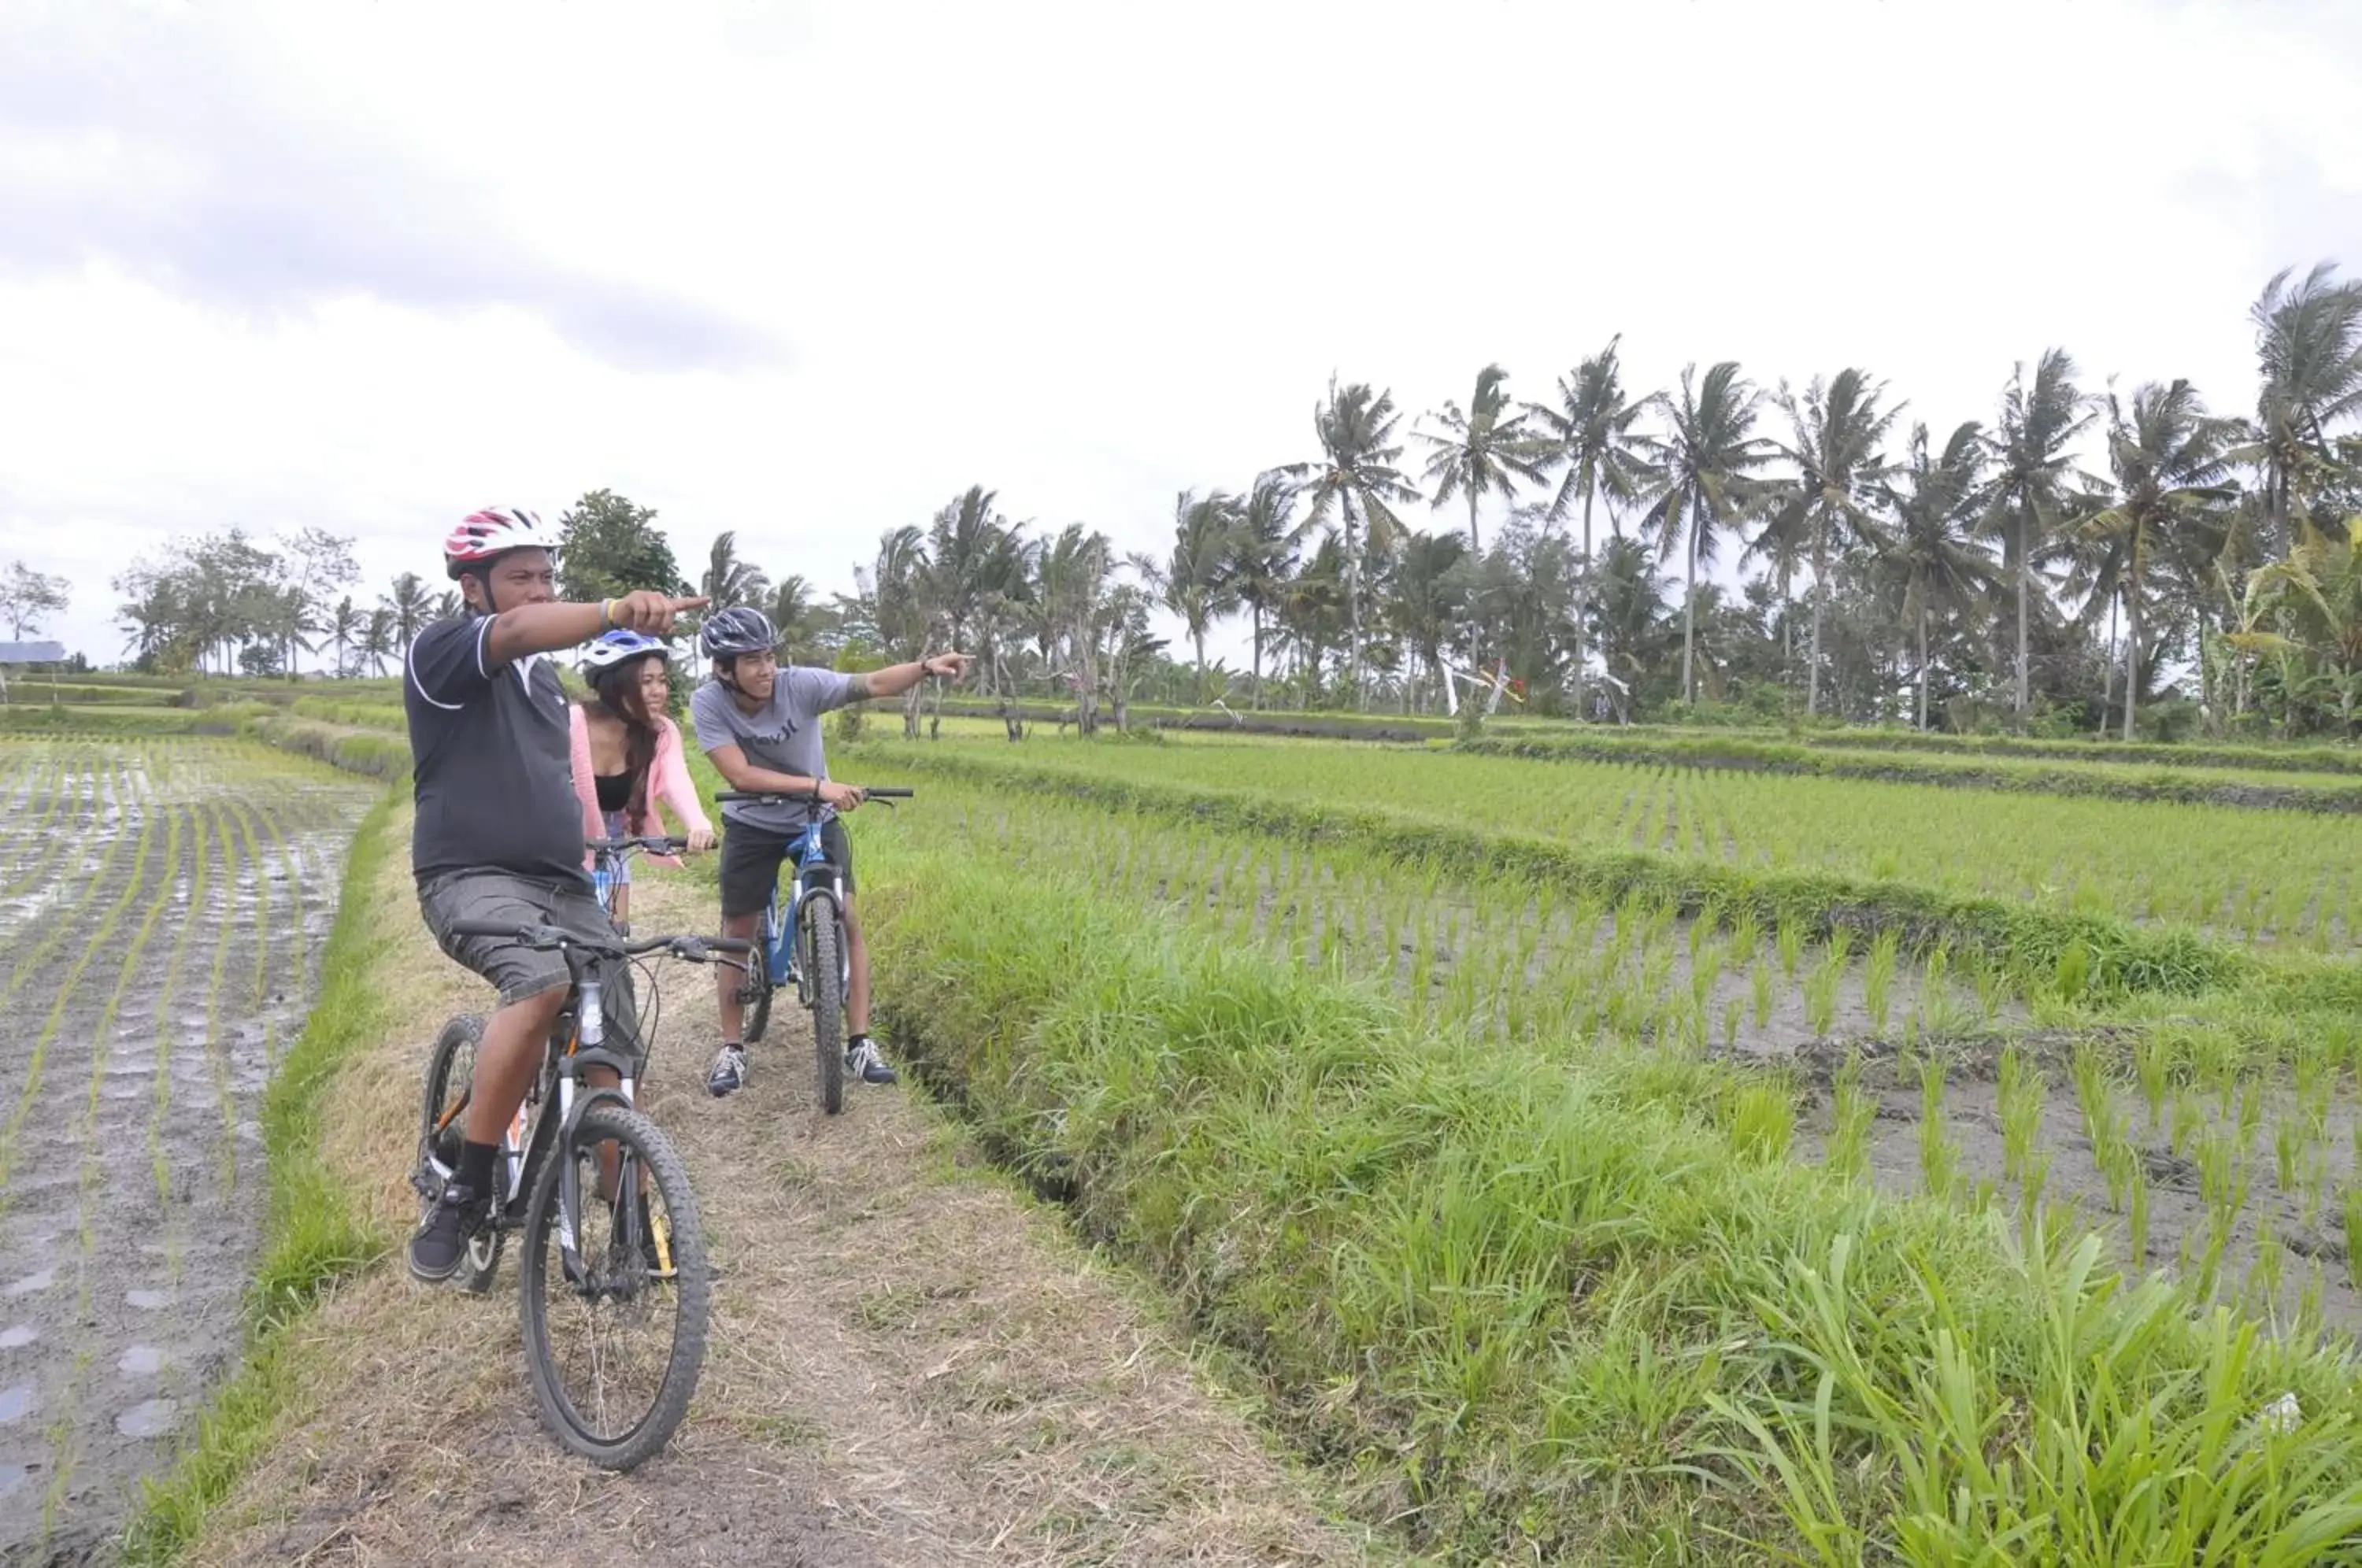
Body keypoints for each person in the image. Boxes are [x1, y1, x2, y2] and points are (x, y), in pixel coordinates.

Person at [402, 506, 705, 1281]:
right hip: (471, 877)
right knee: (540, 983)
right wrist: (610, 612)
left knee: (610, 1033)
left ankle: (630, 1209)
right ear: (475, 589)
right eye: (518, 577)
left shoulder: (545, 688)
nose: (537, 590)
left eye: (546, 576)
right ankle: (466, 1188)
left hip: (562, 883)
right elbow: (513, 636)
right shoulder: (448, 651)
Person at [689, 606, 970, 1097]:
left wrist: (925, 667)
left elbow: (873, 684)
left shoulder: (802, 685)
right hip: (751, 821)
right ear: (723, 669)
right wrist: (819, 784)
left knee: (848, 918)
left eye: (769, 656)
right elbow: (740, 775)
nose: (766, 669)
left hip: (814, 819)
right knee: (736, 931)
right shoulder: (709, 703)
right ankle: (732, 1047)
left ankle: (860, 1042)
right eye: (751, 661)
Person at [569, 631, 717, 929]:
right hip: (562, 839)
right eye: (646, 681)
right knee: (564, 940)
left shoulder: (660, 731)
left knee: (616, 936)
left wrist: (698, 823)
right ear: (616, 684)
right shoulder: (571, 722)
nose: (658, 691)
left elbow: (676, 779)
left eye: (662, 681)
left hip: (612, 839)